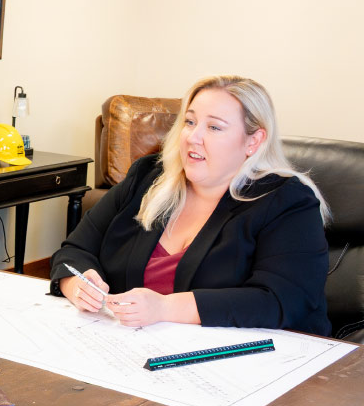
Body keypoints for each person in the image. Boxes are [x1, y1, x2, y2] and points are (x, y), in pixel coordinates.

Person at [51, 74, 330, 335]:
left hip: (256, 358)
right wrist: (77, 285)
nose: (193, 137)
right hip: (133, 345)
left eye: (214, 127)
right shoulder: (147, 177)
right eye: (190, 122)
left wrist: (163, 308)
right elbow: (75, 250)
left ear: (253, 142)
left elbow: (281, 300)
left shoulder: (287, 201)